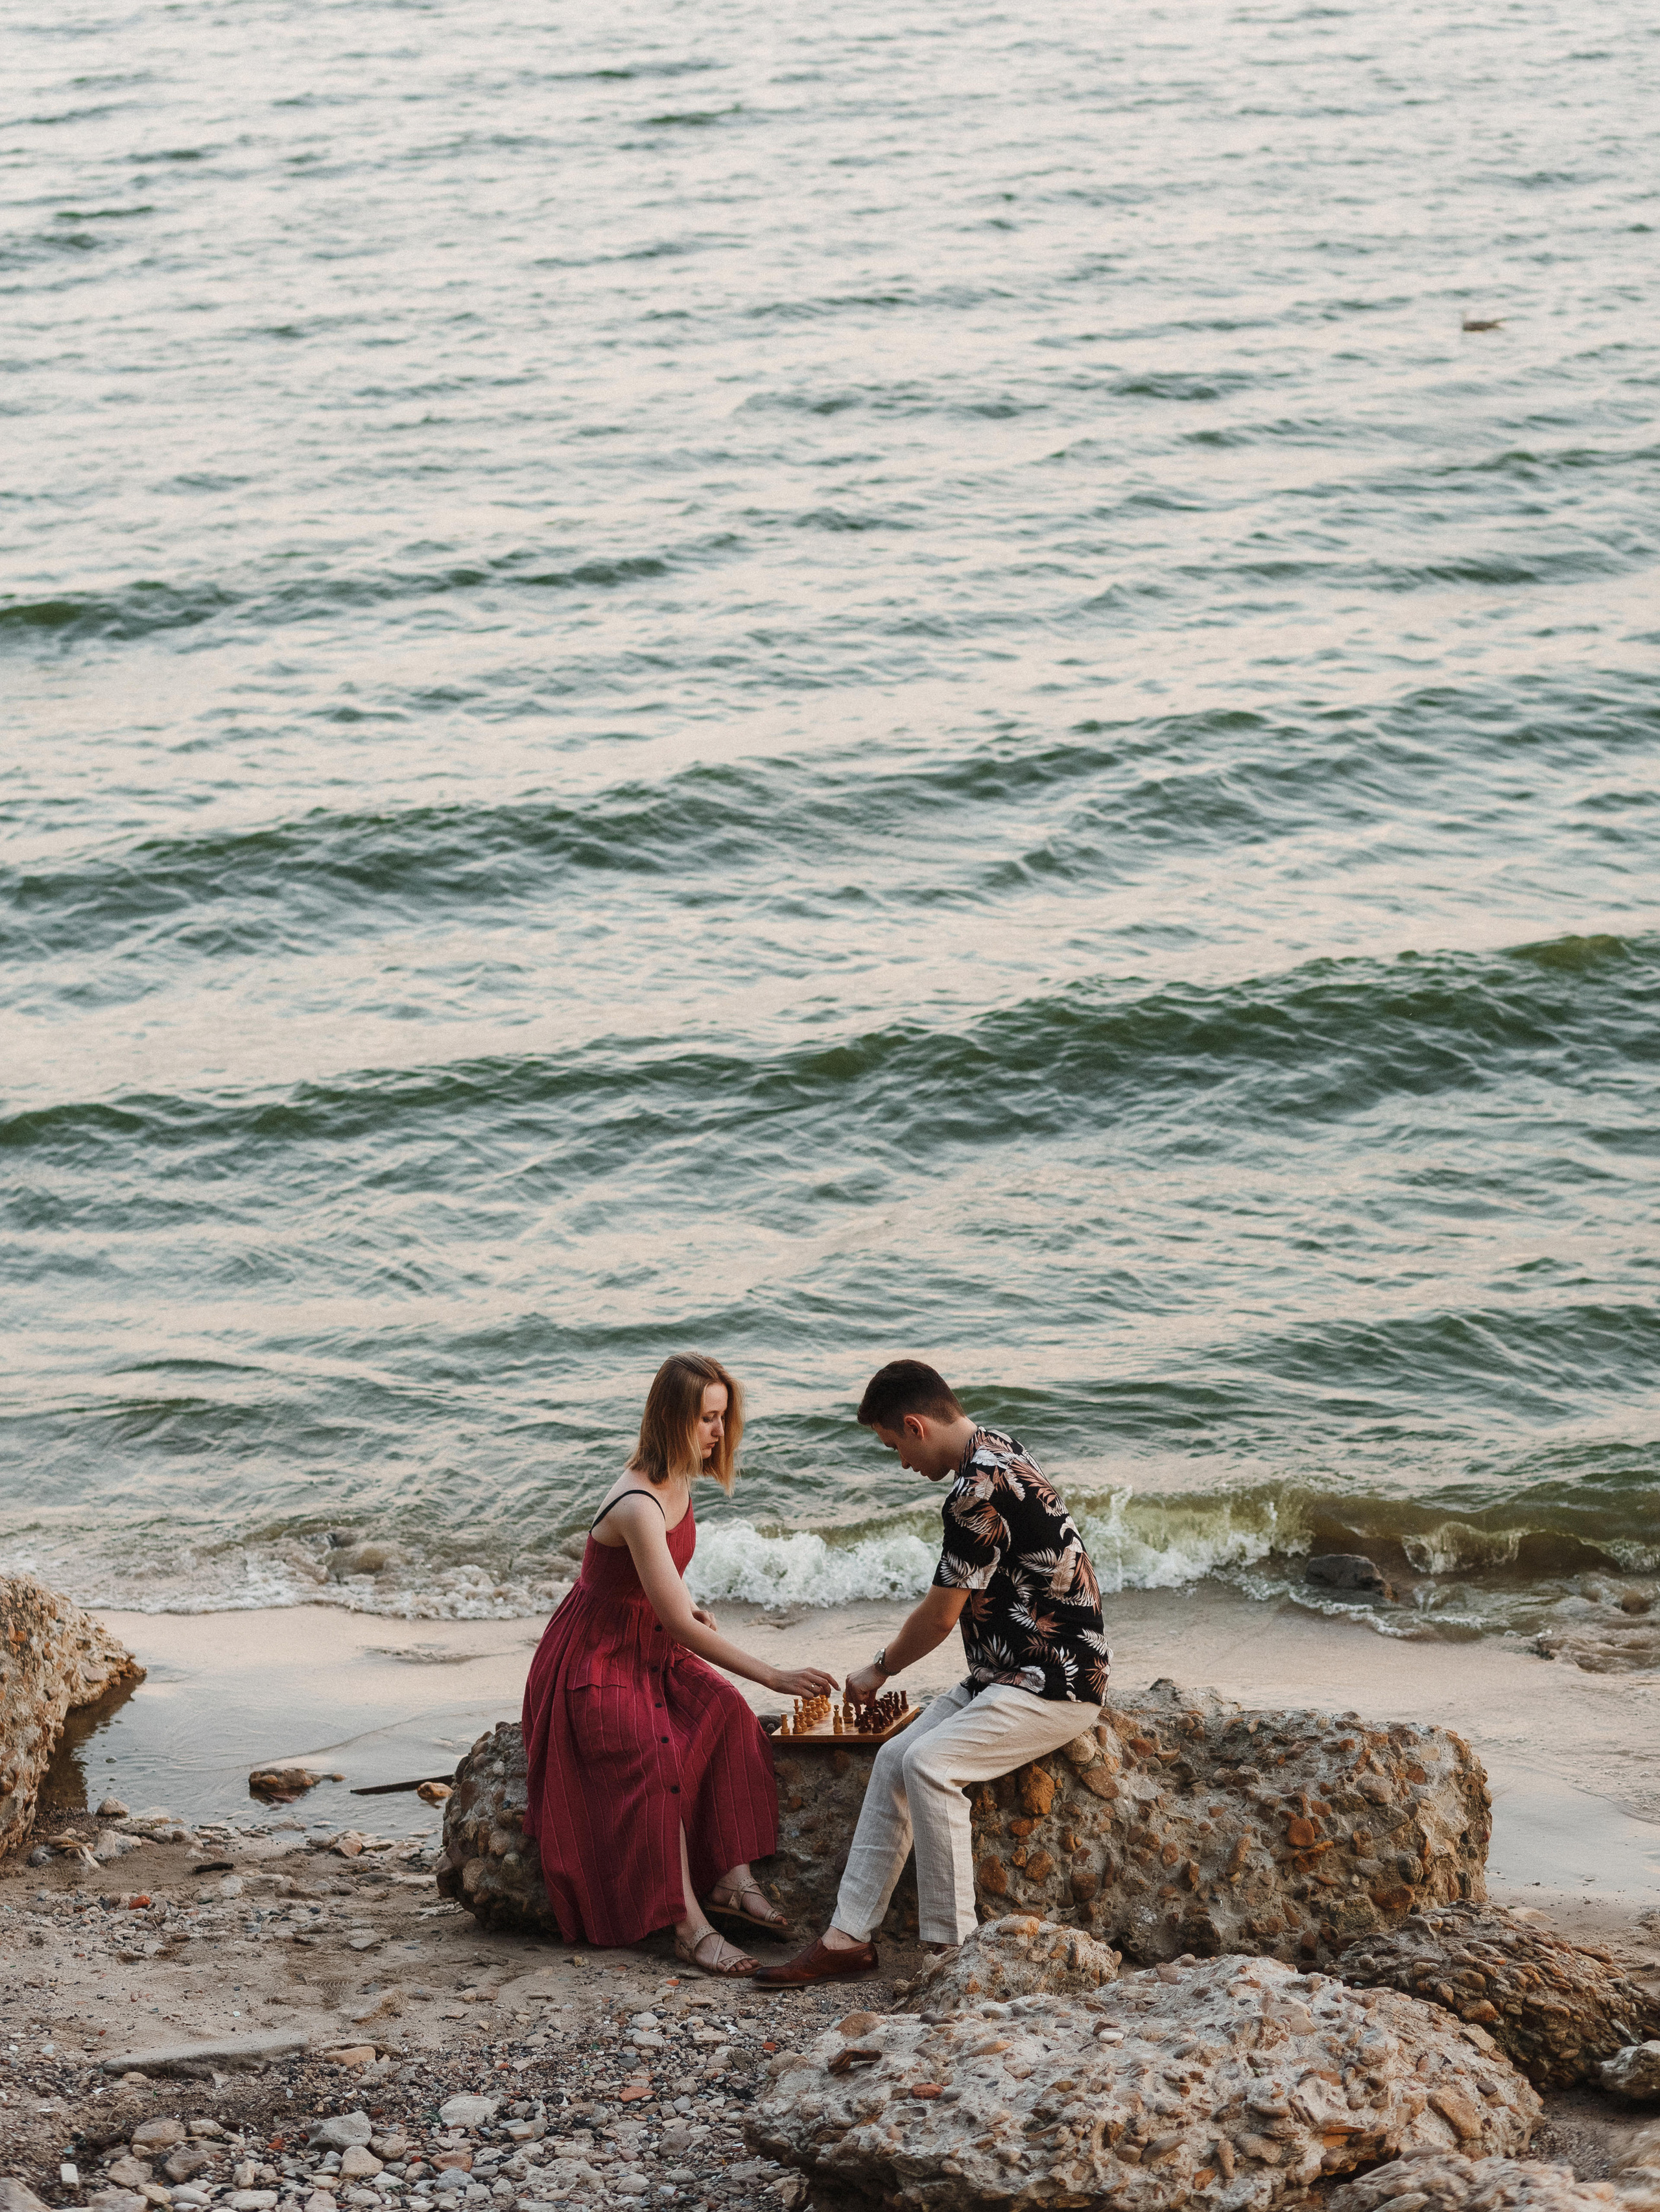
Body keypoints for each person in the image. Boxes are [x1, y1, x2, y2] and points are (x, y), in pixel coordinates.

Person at [753, 1359, 1108, 1988]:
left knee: (929, 1765)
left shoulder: (973, 1491)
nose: (899, 1463)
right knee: (894, 1758)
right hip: (1005, 1674)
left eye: (894, 1445)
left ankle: (952, 1954)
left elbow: (940, 1617)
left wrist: (877, 1669)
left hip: (1055, 1682)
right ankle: (846, 1938)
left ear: (915, 1425)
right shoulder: (998, 1447)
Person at [521, 1353, 838, 1977]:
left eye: (723, 1417)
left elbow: (659, 1589)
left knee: (726, 1712)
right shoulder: (637, 1502)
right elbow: (669, 1620)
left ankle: (730, 1878)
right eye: (707, 1419)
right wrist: (774, 1674)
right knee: (653, 1757)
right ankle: (688, 1926)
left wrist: (689, 1606)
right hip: (595, 1657)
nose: (719, 1433)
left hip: (648, 1646)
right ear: (673, 1420)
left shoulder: (681, 1478)